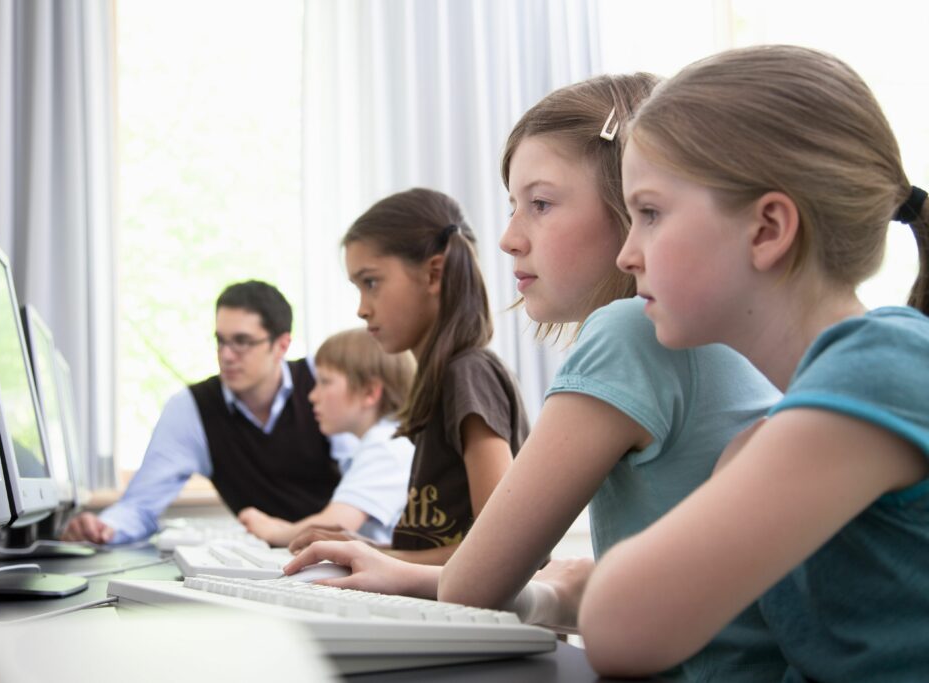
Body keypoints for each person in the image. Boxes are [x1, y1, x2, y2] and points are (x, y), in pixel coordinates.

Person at [286, 75, 787, 681]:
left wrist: (425, 575)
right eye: (512, 206)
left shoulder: (632, 333)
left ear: (630, 204)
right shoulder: (718, 332)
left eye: (541, 204)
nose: (507, 238)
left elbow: (476, 585)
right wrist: (412, 572)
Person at [575, 45, 929, 681]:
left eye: (650, 213)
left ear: (768, 229)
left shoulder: (882, 369)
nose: (627, 254)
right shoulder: (768, 441)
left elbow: (621, 627)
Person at [292, 188, 530, 565]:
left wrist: (378, 559)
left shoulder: (468, 373)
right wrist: (365, 548)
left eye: (370, 282)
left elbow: (501, 552)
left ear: (433, 274)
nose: (361, 309)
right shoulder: (439, 380)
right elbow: (438, 550)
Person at [61, 280, 388, 545]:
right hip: (270, 561)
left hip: (349, 552)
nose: (226, 355)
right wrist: (104, 528)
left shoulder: (323, 384)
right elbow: (141, 504)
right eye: (220, 341)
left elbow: (359, 499)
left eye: (242, 342)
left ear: (282, 345)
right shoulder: (192, 408)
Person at [238, 328, 416, 546]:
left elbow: (335, 525)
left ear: (369, 392)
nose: (312, 396)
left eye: (324, 381)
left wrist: (272, 533)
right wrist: (280, 527)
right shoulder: (383, 441)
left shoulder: (386, 446)